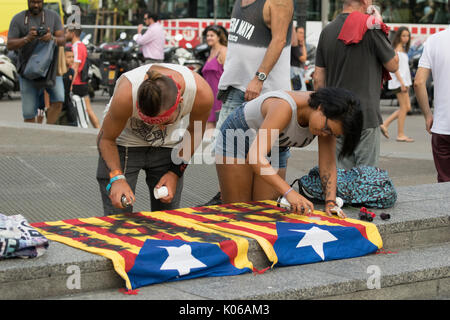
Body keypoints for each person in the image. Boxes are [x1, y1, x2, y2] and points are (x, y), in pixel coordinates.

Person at [215, 87, 363, 218]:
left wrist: (331, 202)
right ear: (320, 107)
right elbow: (255, 157)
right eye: (327, 129)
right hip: (238, 136)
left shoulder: (328, 123)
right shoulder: (284, 107)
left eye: (332, 134)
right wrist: (289, 192)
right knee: (238, 211)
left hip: (275, 146)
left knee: (265, 212)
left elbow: (328, 164)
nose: (325, 134)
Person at [204, 0, 294, 206]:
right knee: (227, 153)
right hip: (235, 88)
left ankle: (265, 210)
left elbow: (279, 40)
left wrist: (259, 77)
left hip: (265, 92)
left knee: (268, 155)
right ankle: (229, 199)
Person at [96, 63, 213, 215]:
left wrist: (175, 173)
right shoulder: (126, 94)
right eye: (150, 122)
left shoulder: (201, 93)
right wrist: (116, 178)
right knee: (119, 213)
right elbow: (106, 140)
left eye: (165, 122)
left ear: (180, 103)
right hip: (123, 144)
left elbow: (195, 133)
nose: (160, 128)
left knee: (167, 218)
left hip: (167, 146)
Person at [314, 0, 399, 170]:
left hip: (336, 114)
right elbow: (393, 64)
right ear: (365, 1)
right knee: (365, 180)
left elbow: (318, 79)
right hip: (365, 115)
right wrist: (379, 23)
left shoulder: (327, 31)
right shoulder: (371, 27)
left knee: (341, 177)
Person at [7, 0, 65, 124]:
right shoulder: (18, 19)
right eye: (33, 2)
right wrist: (27, 38)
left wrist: (52, 38)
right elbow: (10, 45)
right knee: (28, 113)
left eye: (39, 2)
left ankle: (49, 130)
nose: (36, 5)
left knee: (59, 100)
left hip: (51, 69)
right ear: (28, 2)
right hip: (27, 70)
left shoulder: (53, 16)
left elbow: (63, 40)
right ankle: (31, 137)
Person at [413, 5, 450, 183]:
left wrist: (428, 115)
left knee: (444, 186)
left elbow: (419, 82)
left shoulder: (434, 40)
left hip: (442, 127)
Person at [380, 27, 414, 142]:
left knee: (407, 107)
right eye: (403, 35)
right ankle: (400, 134)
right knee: (404, 107)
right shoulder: (396, 50)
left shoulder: (403, 50)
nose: (406, 38)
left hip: (405, 82)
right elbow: (396, 69)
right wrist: (402, 83)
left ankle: (385, 124)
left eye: (407, 36)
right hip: (400, 82)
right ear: (399, 36)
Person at [65, 25, 100, 128]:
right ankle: (99, 130)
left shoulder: (77, 47)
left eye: (67, 32)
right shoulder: (81, 46)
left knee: (77, 109)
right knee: (88, 109)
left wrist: (70, 84)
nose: (65, 35)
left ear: (73, 33)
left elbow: (75, 67)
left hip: (76, 83)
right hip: (81, 82)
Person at [201, 25, 228, 140]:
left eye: (212, 35)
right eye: (207, 36)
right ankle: (210, 155)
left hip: (220, 96)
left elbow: (229, 73)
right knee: (209, 128)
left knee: (221, 128)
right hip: (209, 96)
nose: (209, 38)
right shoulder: (210, 51)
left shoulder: (224, 51)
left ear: (219, 37)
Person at [290, 25, 307, 91]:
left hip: (298, 72)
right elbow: (303, 58)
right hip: (295, 72)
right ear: (295, 34)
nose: (302, 35)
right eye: (300, 33)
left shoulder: (297, 46)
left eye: (303, 33)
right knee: (301, 91)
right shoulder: (294, 46)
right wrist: (303, 45)